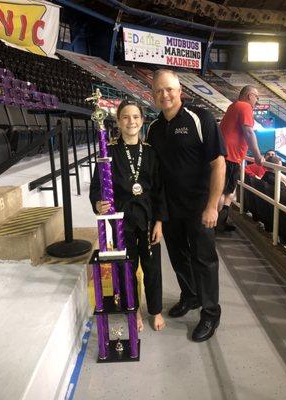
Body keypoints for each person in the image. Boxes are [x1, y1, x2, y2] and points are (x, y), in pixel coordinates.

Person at [147, 69, 226, 342]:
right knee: (179, 257)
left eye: (169, 89)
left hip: (199, 206)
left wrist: (212, 206)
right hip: (170, 209)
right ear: (153, 95)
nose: (164, 94)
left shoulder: (200, 118)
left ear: (180, 91)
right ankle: (190, 296)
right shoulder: (154, 129)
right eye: (159, 90)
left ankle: (210, 314)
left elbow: (219, 164)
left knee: (204, 261)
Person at [89, 100, 167, 332]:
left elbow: (160, 190)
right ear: (118, 122)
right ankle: (134, 310)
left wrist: (160, 222)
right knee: (127, 268)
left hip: (148, 220)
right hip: (121, 223)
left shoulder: (152, 153)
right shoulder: (109, 153)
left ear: (142, 120)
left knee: (153, 269)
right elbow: (97, 187)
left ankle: (156, 310)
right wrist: (98, 203)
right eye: (125, 117)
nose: (131, 121)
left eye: (135, 117)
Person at [218, 85, 264, 231]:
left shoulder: (233, 106)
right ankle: (215, 224)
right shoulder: (245, 106)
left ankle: (220, 220)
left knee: (227, 191)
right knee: (223, 191)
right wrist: (257, 156)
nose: (257, 101)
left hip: (227, 155)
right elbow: (249, 132)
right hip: (230, 157)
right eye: (257, 97)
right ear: (250, 95)